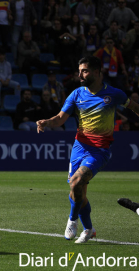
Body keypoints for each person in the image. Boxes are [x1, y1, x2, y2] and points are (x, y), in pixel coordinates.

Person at [36, 56, 139, 243]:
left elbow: (133, 107)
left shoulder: (114, 94)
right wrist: (46, 122)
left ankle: (71, 220)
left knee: (76, 182)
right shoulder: (76, 94)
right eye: (80, 70)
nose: (80, 74)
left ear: (98, 72)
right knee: (78, 193)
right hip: (79, 148)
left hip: (99, 150)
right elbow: (60, 118)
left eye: (84, 70)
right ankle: (89, 229)